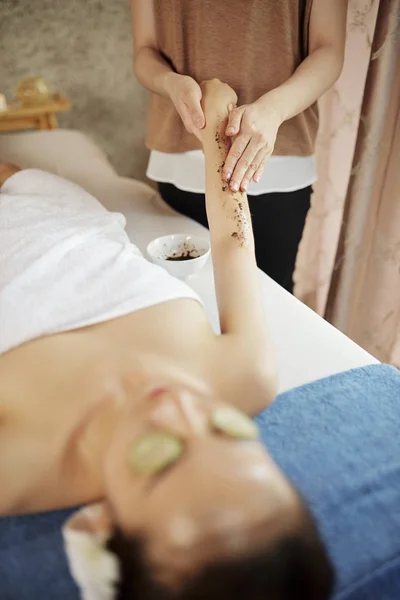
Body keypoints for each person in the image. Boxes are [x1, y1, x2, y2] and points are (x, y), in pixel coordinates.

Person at [0, 81, 334, 599]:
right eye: (228, 432)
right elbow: (230, 245)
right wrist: (216, 139)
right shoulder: (247, 375)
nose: (181, 407)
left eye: (160, 455)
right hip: (55, 206)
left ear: (104, 529)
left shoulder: (15, 468)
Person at [131, 0, 347, 293]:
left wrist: (274, 109)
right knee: (186, 297)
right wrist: (170, 83)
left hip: (277, 163)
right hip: (181, 159)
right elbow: (145, 50)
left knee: (274, 299)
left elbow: (329, 49)